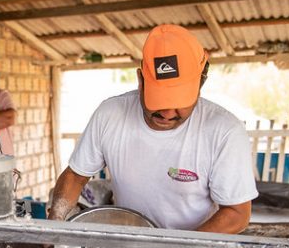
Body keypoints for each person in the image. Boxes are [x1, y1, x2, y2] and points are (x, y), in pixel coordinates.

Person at [49, 24, 257, 234]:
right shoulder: (110, 115)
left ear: (199, 86)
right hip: (128, 241)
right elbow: (75, 176)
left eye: (179, 101)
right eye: (158, 100)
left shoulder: (225, 132)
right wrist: (55, 225)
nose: (167, 113)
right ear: (141, 81)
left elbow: (237, 213)